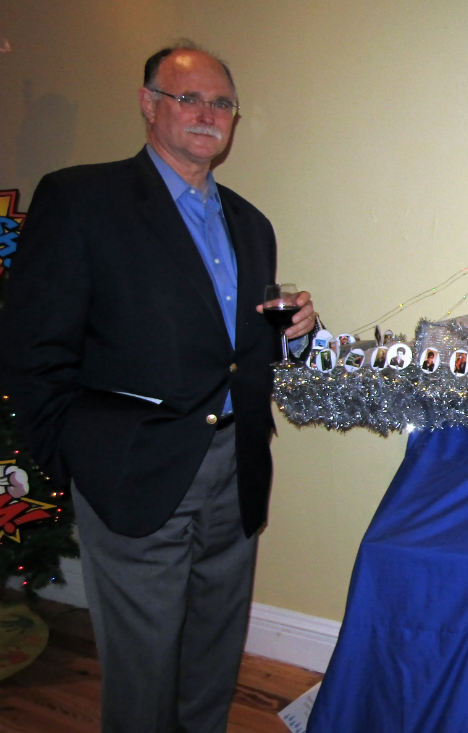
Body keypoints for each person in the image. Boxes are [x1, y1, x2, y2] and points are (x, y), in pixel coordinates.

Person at [0, 42, 316, 732]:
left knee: (213, 647)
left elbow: (239, 351)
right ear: (149, 104)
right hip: (132, 466)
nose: (208, 113)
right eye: (188, 97)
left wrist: (297, 333)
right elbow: (30, 344)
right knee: (141, 664)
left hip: (237, 465)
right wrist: (76, 452)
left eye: (222, 103)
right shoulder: (82, 199)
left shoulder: (251, 223)